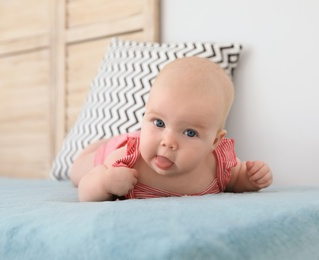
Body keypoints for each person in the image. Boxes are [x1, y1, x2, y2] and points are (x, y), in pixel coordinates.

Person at [71, 57, 273, 202]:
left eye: (189, 133)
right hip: (121, 147)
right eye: (159, 123)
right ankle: (101, 144)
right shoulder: (125, 160)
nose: (168, 141)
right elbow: (85, 192)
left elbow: (235, 180)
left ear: (214, 142)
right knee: (76, 173)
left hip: (142, 141)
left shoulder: (219, 164)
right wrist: (105, 184)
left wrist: (250, 179)